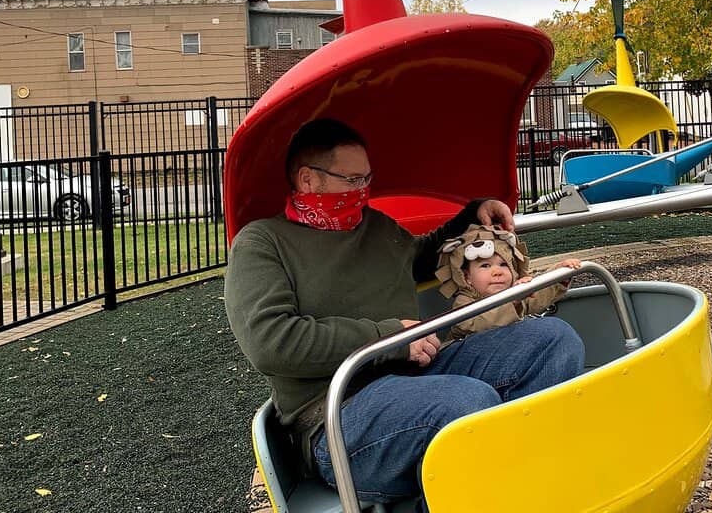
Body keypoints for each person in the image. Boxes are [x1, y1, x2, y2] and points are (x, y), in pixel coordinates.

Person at [224, 118, 585, 509]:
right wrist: (390, 338)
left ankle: (516, 484)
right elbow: (271, 342)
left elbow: (421, 257)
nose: (363, 191)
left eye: (367, 179)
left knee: (552, 340)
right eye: (352, 180)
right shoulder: (262, 243)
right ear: (308, 179)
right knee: (465, 402)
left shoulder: (374, 226)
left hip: (419, 374)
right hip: (336, 412)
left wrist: (473, 213)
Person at [434, 223, 581, 341]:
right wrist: (513, 302)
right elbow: (472, 323)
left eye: (504, 265)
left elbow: (537, 297)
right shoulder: (465, 302)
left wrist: (558, 276)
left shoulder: (513, 293)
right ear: (467, 277)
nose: (497, 272)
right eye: (485, 266)